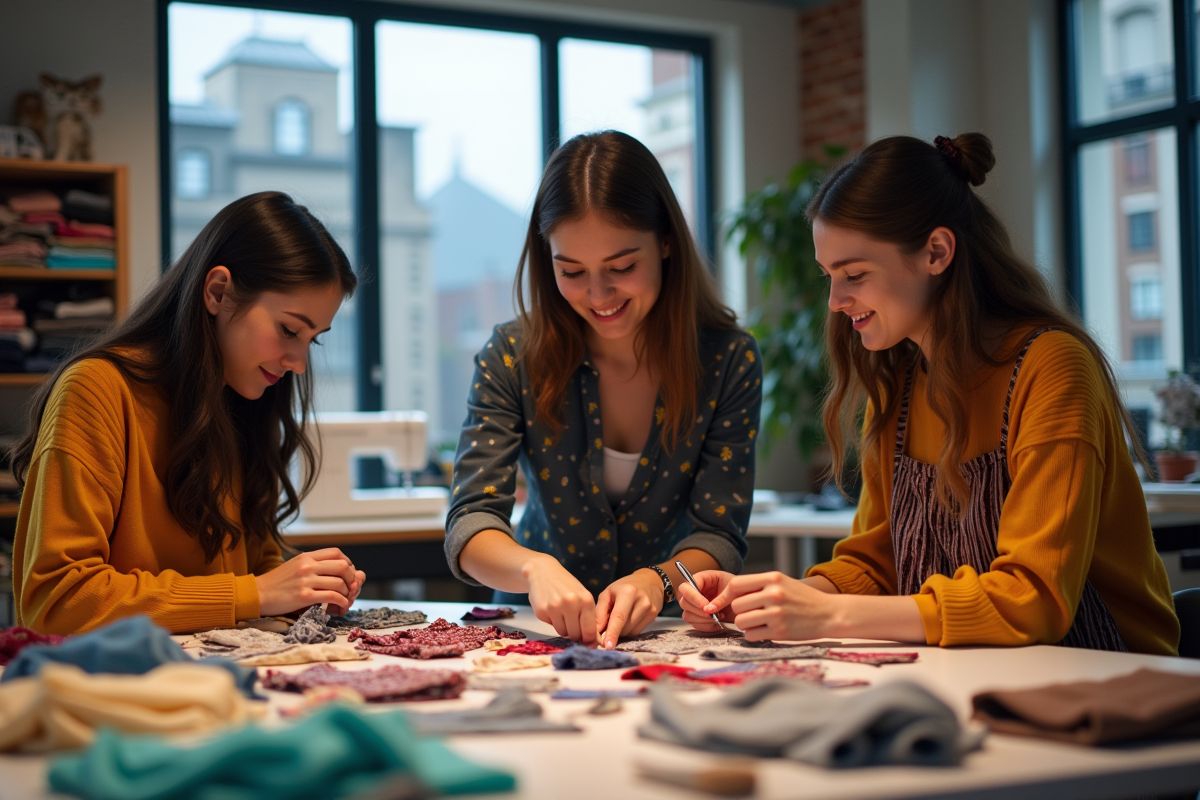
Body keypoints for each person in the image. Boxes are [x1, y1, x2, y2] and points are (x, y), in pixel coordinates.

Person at [678, 133, 1179, 655]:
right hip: (980, 670)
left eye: (854, 275)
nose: (835, 301)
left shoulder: (1052, 368)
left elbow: (1034, 598)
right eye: (829, 276)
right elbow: (873, 566)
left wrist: (827, 613)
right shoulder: (895, 383)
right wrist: (773, 601)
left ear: (936, 252)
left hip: (1109, 675)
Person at [446, 130, 762, 648]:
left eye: (622, 268)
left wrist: (656, 580)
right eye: (571, 271)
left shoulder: (727, 360)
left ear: (665, 242)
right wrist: (531, 569)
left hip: (667, 632)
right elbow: (470, 522)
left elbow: (719, 534)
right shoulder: (512, 354)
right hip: (535, 632)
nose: (598, 295)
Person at [10, 191, 367, 635]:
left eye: (311, 339)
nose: (298, 362)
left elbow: (255, 565)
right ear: (218, 292)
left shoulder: (241, 401)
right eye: (289, 330)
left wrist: (306, 591)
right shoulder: (96, 391)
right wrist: (257, 593)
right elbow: (57, 600)